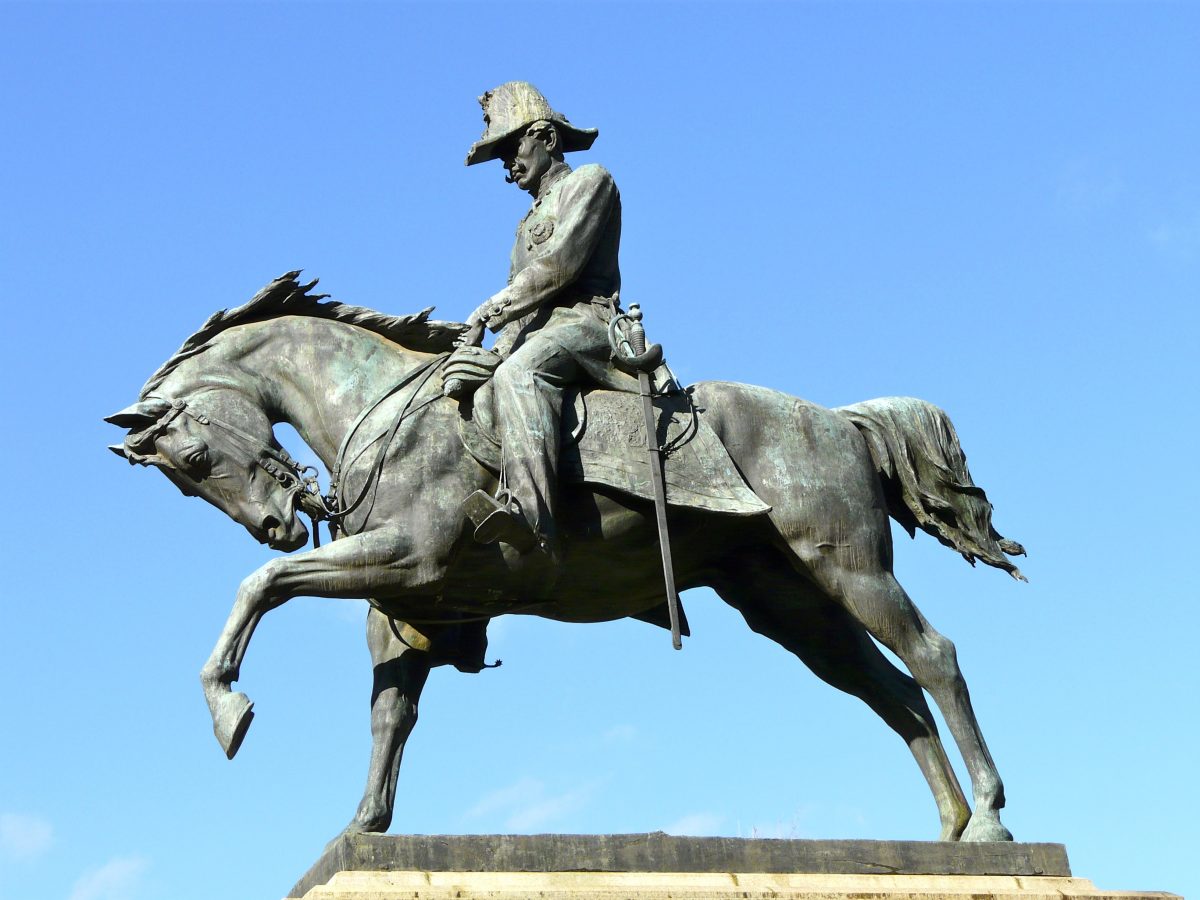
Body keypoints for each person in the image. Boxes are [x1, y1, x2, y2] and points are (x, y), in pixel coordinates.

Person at [458, 81, 629, 561]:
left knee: (521, 372)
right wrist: (481, 354)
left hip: (586, 324)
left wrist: (487, 313)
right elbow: (524, 309)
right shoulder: (524, 221)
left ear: (547, 139)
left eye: (513, 149)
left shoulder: (590, 182)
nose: (508, 166)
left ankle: (531, 515)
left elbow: (559, 266)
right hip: (539, 329)